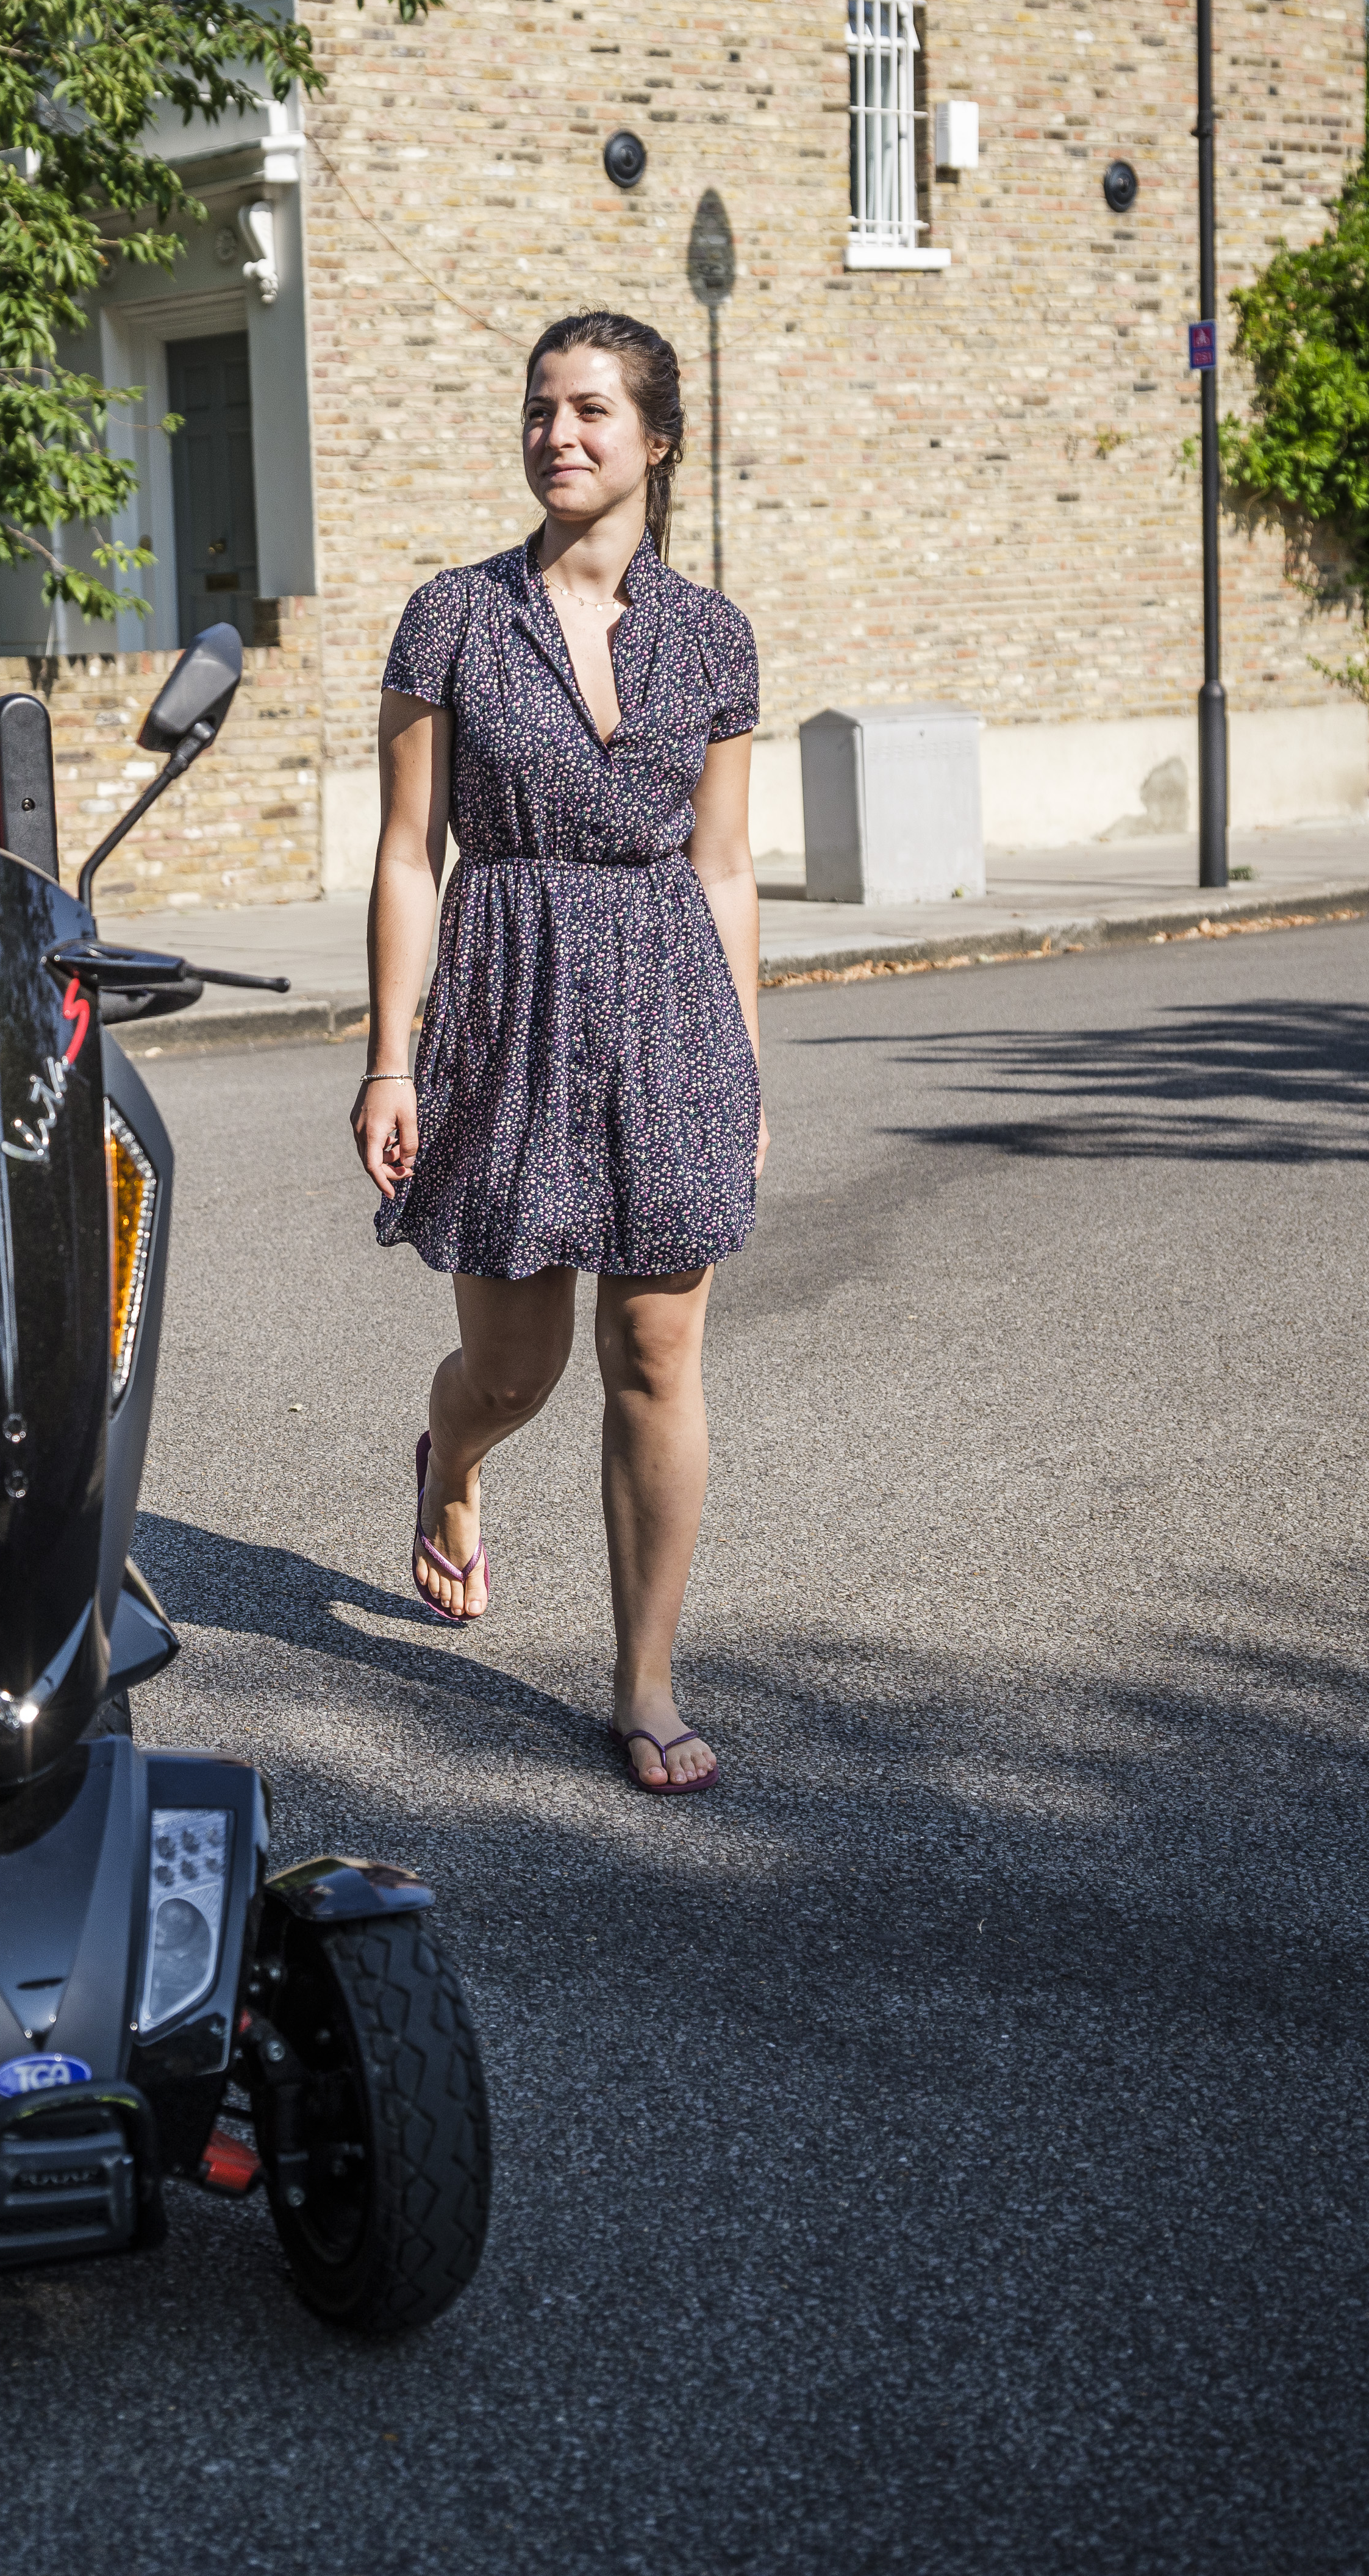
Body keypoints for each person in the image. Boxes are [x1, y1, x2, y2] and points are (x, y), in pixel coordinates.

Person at [352, 310, 763, 1797]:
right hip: (507, 998)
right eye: (540, 409)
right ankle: (451, 1459)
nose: (558, 434)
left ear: (657, 440)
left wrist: (748, 1068)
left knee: (655, 1351)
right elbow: (409, 854)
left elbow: (722, 867)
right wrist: (390, 1059)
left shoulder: (713, 636)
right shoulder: (451, 617)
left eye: (592, 410)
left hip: (669, 1004)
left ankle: (645, 1676)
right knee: (514, 1370)